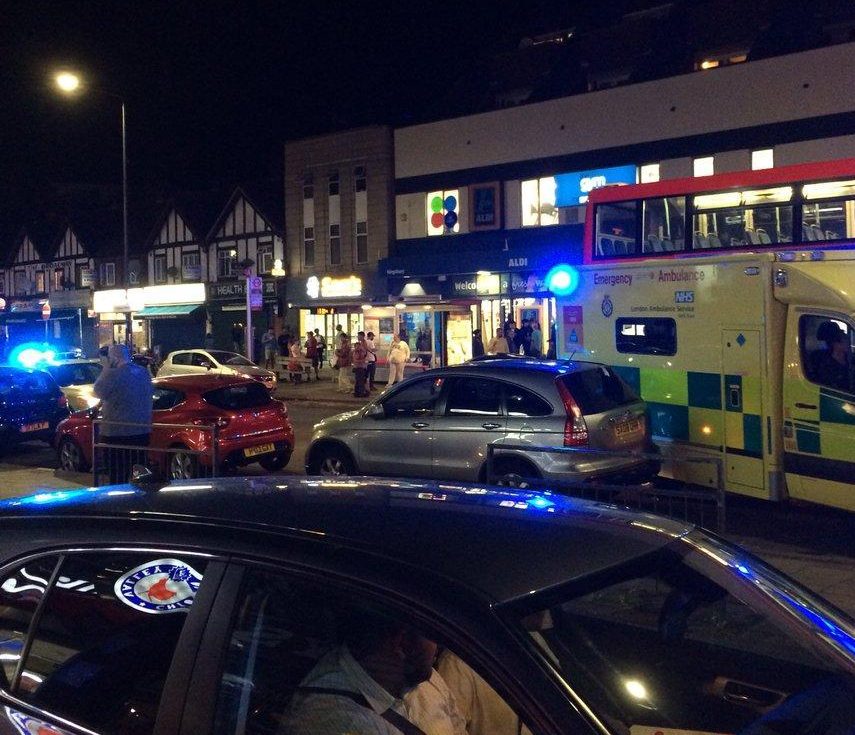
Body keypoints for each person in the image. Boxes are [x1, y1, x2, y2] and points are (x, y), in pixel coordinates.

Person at [283, 607, 465, 735]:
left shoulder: (425, 680)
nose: (438, 646)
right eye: (431, 636)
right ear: (403, 644)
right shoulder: (331, 720)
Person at [92, 344, 152, 485]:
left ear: (113, 358)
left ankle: (120, 503)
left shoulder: (113, 374)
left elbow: (98, 391)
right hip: (141, 432)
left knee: (117, 474)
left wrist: (106, 368)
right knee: (139, 473)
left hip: (116, 433)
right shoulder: (142, 372)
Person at [812, 321, 850, 391]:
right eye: (845, 339)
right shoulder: (825, 365)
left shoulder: (850, 358)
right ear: (835, 344)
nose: (848, 343)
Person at [352, 332, 369, 398]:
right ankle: (359, 392)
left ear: (362, 336)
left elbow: (363, 354)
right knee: (359, 379)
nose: (358, 337)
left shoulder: (363, 344)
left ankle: (360, 392)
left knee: (360, 379)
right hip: (359, 365)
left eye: (358, 336)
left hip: (360, 365)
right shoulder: (361, 345)